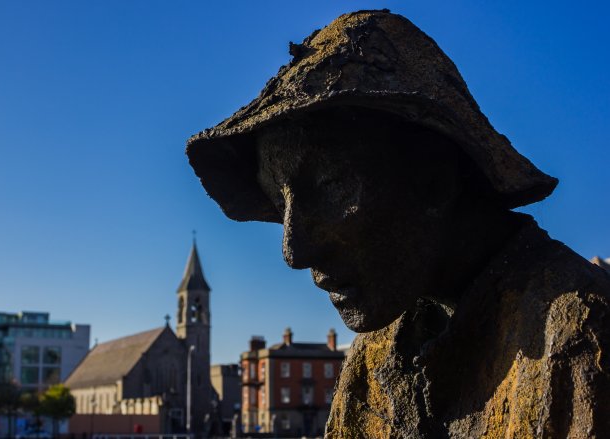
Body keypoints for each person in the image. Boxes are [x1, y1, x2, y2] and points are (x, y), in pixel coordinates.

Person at [186, 10, 610, 438]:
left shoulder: (585, 337)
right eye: (281, 203)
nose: (294, 251)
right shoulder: (376, 354)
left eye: (333, 186)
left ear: (434, 177)